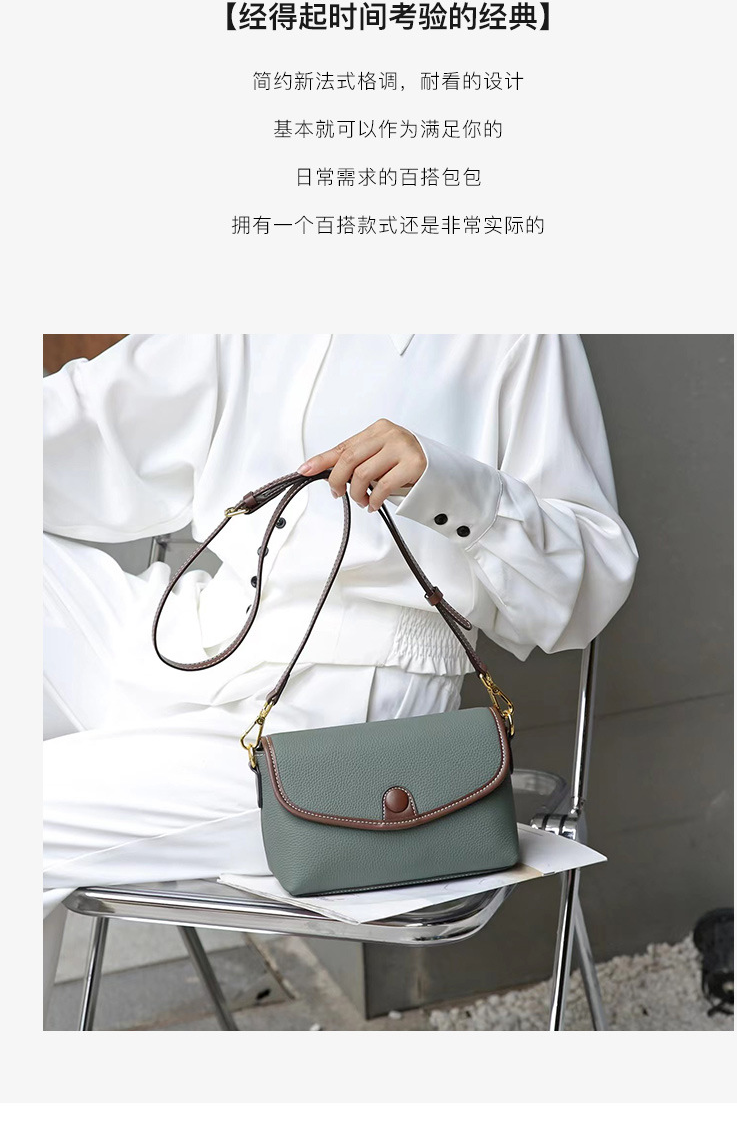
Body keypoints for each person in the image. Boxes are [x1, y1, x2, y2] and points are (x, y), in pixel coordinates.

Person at [42, 333, 639, 1018]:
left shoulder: (510, 334)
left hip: (344, 717)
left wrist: (449, 485)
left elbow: (588, 585)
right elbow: (85, 419)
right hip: (192, 638)